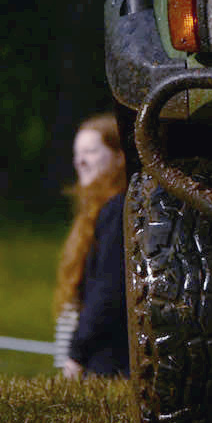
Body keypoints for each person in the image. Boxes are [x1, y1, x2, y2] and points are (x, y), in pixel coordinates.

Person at [55, 113, 130, 378]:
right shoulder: (99, 213)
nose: (80, 161)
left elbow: (108, 290)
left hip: (108, 366)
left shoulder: (118, 210)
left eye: (91, 151)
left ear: (120, 157)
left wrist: (77, 353)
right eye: (77, 153)